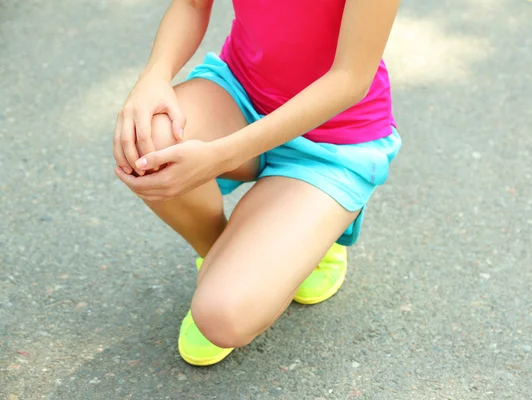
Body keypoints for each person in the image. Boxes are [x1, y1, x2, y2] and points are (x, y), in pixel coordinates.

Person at [113, 0, 402, 366]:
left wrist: (220, 155)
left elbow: (350, 79)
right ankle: (223, 251)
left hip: (332, 142)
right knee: (146, 146)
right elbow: (190, 4)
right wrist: (153, 77)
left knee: (224, 317)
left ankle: (306, 233)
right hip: (242, 95)